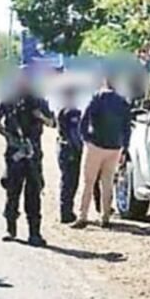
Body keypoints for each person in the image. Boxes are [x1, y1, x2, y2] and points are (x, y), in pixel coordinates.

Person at [0, 70, 55, 246]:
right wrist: (7, 135)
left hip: (33, 153)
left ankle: (34, 233)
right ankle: (10, 229)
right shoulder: (9, 100)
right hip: (14, 153)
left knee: (33, 193)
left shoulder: (38, 100)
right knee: (12, 192)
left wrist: (40, 117)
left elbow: (52, 123)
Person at [72, 75, 132, 229]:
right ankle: (105, 216)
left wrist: (86, 139)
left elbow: (84, 120)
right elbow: (127, 127)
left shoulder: (97, 97)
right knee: (108, 183)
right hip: (114, 147)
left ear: (104, 81)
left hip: (96, 145)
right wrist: (124, 147)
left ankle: (82, 215)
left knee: (88, 182)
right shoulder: (122, 101)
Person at [56, 86, 84, 224]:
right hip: (70, 150)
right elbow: (74, 134)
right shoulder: (72, 112)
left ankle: (65, 210)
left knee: (66, 181)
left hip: (63, 148)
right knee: (70, 182)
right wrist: (80, 149)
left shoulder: (62, 110)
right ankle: (66, 213)